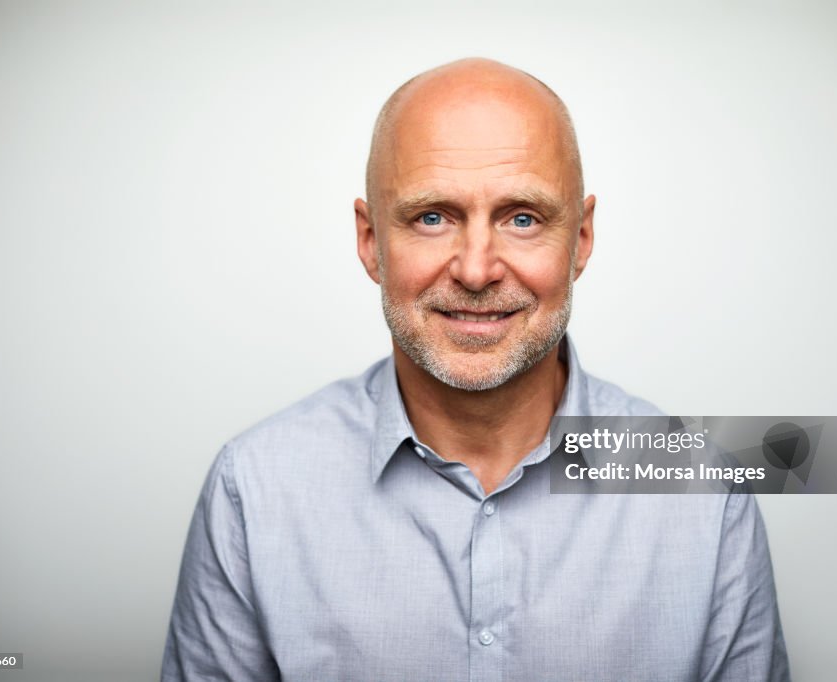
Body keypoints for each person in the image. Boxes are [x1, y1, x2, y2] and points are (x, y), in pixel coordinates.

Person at [161, 58, 790, 681]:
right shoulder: (255, 487)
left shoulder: (703, 491)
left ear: (582, 240)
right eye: (432, 217)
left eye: (522, 218)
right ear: (371, 240)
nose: (476, 269)